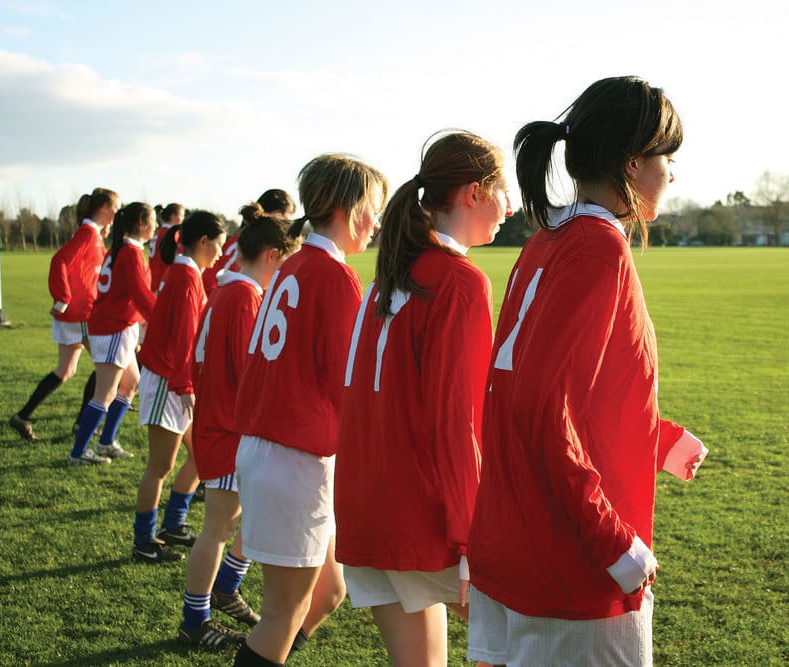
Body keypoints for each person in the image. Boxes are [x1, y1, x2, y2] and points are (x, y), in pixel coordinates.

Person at [465, 76, 708, 666]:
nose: (672, 173)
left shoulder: (549, 239)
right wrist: (614, 544)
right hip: (570, 565)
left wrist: (661, 439)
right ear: (631, 163)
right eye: (666, 158)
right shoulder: (598, 247)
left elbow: (544, 388)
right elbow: (540, 407)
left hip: (515, 537)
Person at [335, 131, 510, 667]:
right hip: (424, 520)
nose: (513, 204)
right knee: (528, 641)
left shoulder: (388, 274)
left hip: (367, 511)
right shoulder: (459, 282)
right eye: (505, 188)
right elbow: (457, 424)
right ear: (473, 193)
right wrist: (468, 538)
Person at [232, 154, 387, 667]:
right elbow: (349, 383)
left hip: (274, 449)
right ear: (345, 208)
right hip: (293, 456)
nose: (377, 221)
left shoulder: (292, 263)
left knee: (327, 596)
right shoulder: (334, 276)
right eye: (373, 208)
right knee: (282, 613)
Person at [177, 203, 300, 650]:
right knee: (217, 529)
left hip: (220, 424)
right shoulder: (245, 298)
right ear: (271, 255)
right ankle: (195, 619)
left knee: (245, 521)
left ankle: (224, 589)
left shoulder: (226, 291)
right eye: (287, 262)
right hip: (229, 431)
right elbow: (253, 372)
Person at [132, 211, 226, 562]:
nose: (220, 252)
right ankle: (144, 541)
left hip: (176, 379)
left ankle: (173, 523)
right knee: (160, 466)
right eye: (218, 243)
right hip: (169, 382)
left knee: (202, 457)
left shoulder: (188, 273)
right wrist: (187, 383)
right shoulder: (187, 276)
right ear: (203, 242)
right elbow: (185, 336)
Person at [10, 188, 117, 442]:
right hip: (80, 313)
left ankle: (22, 417)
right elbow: (59, 259)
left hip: (80, 312)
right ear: (103, 210)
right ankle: (82, 424)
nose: (116, 213)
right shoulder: (87, 232)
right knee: (107, 366)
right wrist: (63, 297)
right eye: (114, 208)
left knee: (66, 370)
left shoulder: (93, 234)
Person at [68, 202, 158, 464]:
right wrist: (162, 320)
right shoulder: (129, 252)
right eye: (152, 220)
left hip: (118, 326)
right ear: (141, 224)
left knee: (131, 383)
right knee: (105, 393)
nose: (154, 225)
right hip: (113, 327)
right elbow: (139, 294)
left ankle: (106, 441)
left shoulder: (124, 248)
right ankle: (79, 452)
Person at [203, 189, 296, 296]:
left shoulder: (244, 240)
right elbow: (212, 285)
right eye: (283, 221)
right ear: (271, 214)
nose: (284, 229)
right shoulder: (249, 246)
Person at [149, 203, 184, 292]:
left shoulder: (158, 232)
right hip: (162, 280)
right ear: (173, 216)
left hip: (153, 278)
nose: (183, 219)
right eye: (181, 215)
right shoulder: (170, 234)